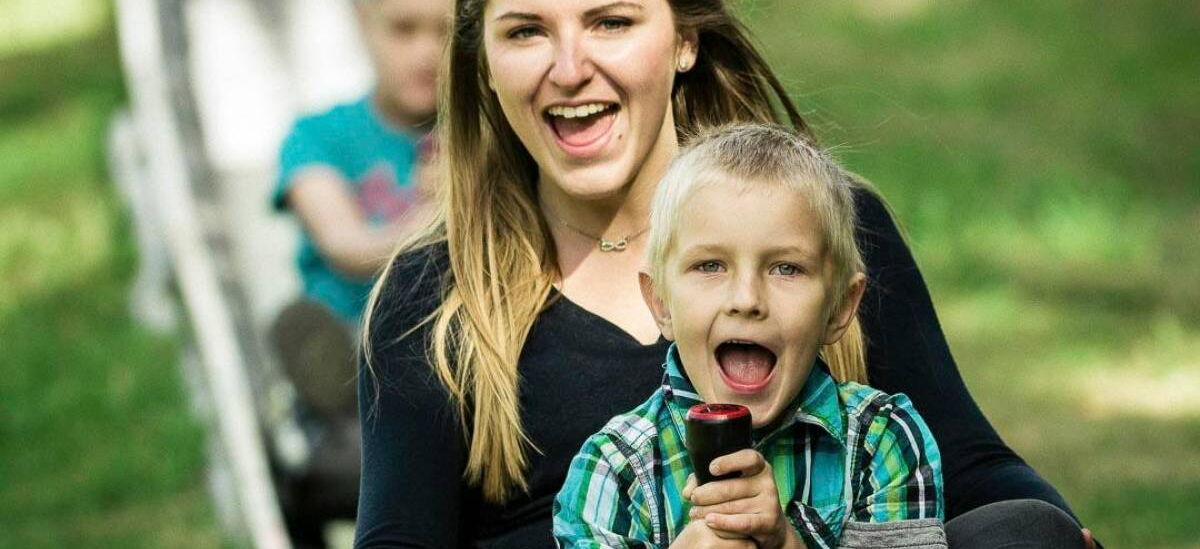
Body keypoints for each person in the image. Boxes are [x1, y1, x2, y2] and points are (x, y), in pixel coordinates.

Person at [355, 0, 1094, 547]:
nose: (570, 67)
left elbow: (969, 464)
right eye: (525, 30)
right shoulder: (436, 298)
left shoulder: (827, 227)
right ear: (482, 64)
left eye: (611, 21)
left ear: (683, 39)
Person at [554, 124, 946, 548]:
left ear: (839, 308)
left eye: (786, 268)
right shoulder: (613, 471)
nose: (746, 299)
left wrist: (784, 543)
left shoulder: (882, 443)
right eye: (710, 266)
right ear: (661, 302)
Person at [268, 0, 449, 545]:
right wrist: (440, 217)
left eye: (444, 32)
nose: (425, 52)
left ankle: (368, 424)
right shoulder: (318, 136)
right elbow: (345, 244)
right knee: (314, 331)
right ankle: (341, 406)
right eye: (403, 29)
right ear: (360, 22)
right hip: (353, 329)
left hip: (443, 343)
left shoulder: (485, 132)